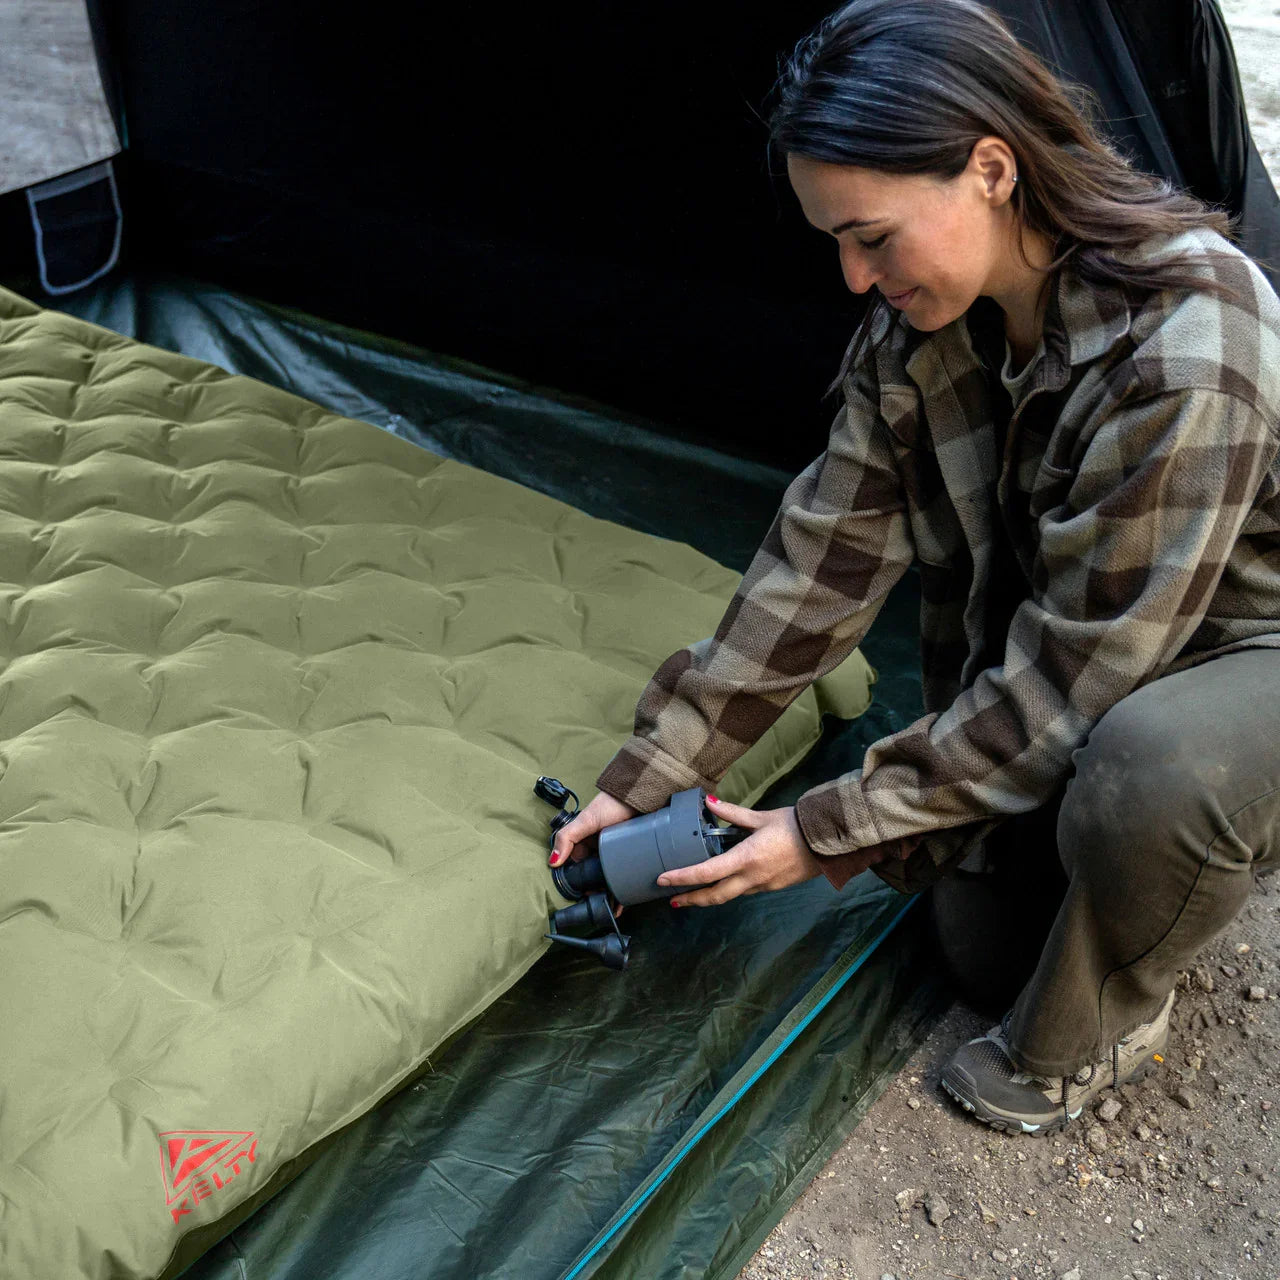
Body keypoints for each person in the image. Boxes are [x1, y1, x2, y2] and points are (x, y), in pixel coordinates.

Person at [550, 0, 1280, 1136]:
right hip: (1105, 632)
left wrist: (821, 832)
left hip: (1241, 651)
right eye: (834, 242)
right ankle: (1139, 859)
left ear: (991, 169)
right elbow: (820, 561)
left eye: (872, 237)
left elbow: (1070, 680)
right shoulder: (925, 327)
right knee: (981, 950)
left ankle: (1106, 1022)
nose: (852, 277)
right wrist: (649, 773)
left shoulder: (1188, 349)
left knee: (1151, 777)